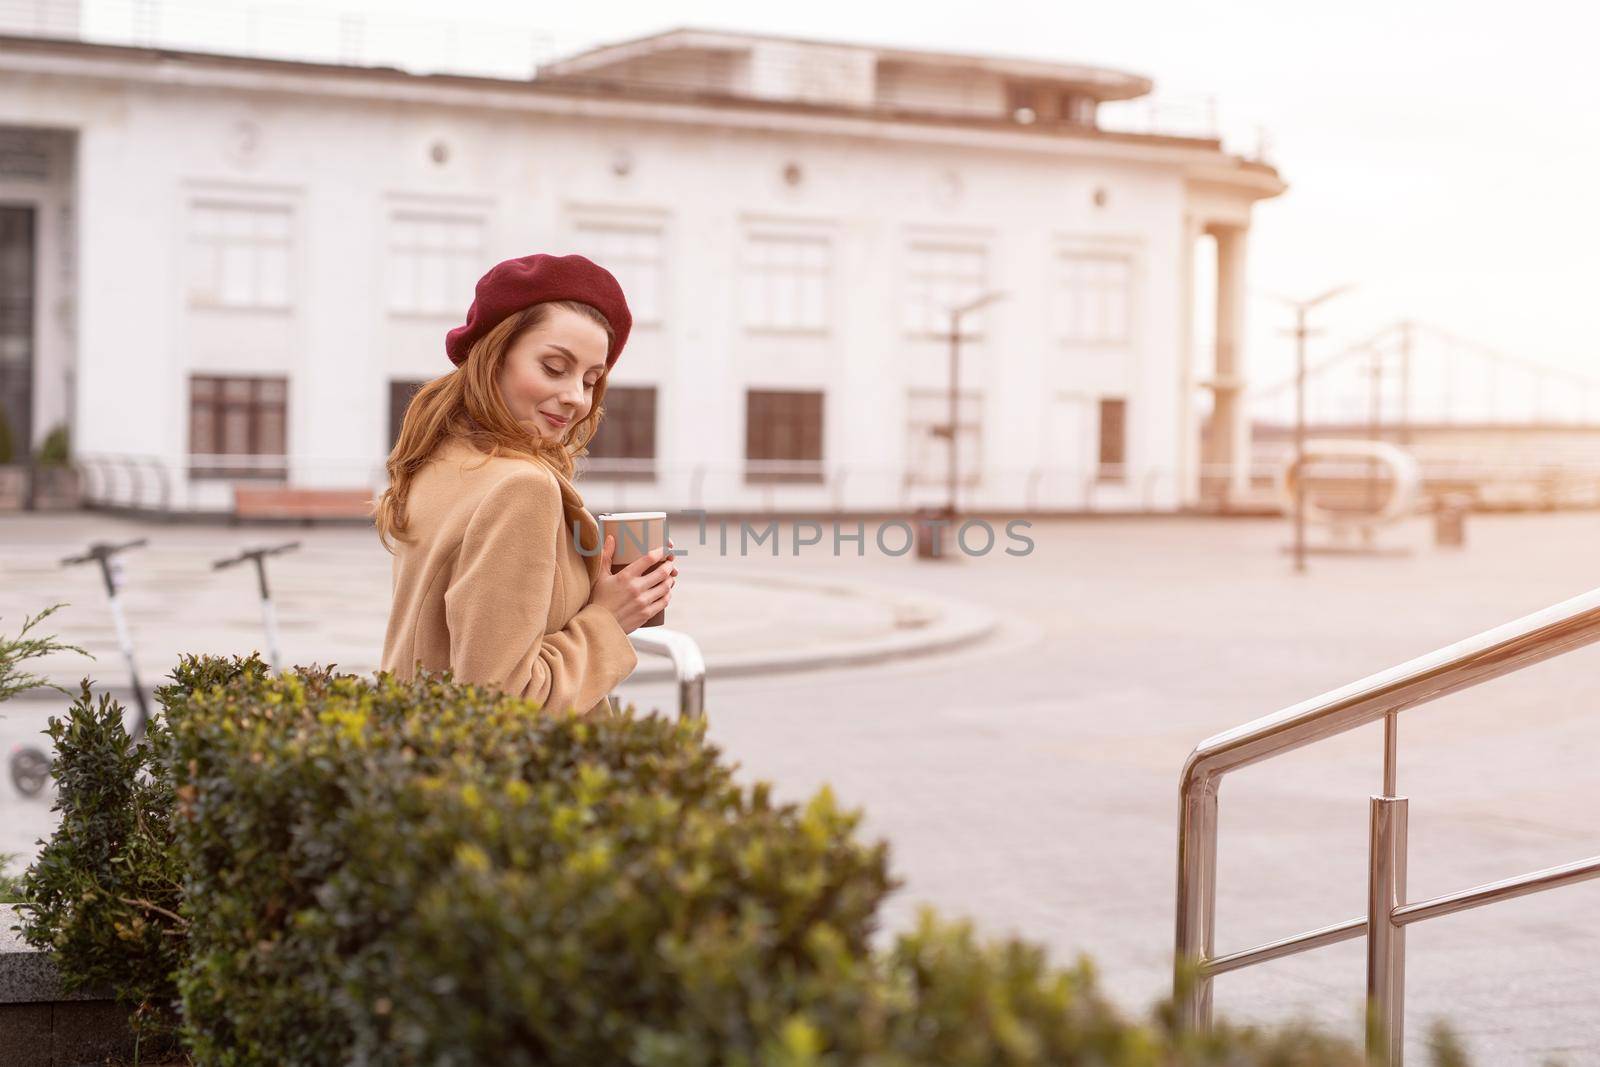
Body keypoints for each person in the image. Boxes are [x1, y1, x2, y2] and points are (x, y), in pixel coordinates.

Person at [375, 253, 675, 716]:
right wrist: (609, 619)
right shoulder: (521, 488)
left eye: (592, 379)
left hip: (419, 754)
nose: (577, 397)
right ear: (495, 357)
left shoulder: (440, 460)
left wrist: (589, 589)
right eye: (554, 368)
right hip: (512, 783)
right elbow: (505, 705)